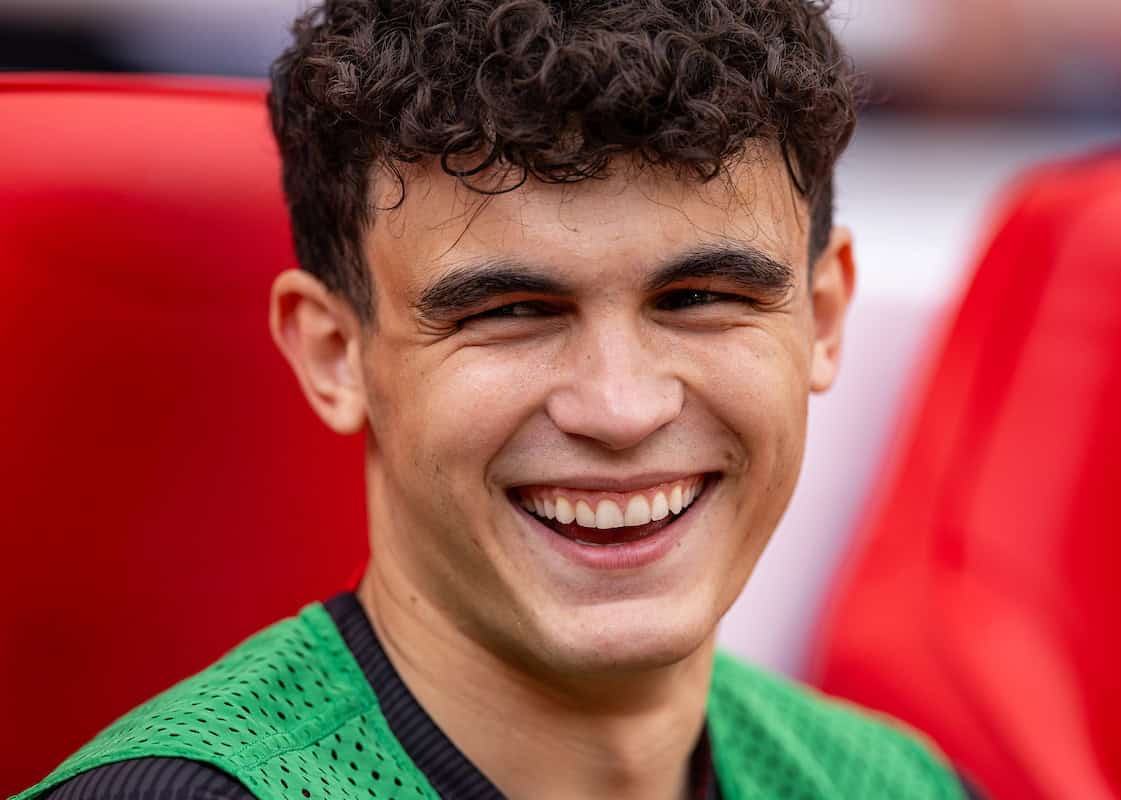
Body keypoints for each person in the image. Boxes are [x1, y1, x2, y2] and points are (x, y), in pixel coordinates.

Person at [15, 1, 983, 798]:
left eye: (699, 299)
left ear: (820, 317)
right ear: (335, 352)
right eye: (513, 311)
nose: (620, 405)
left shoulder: (902, 781)